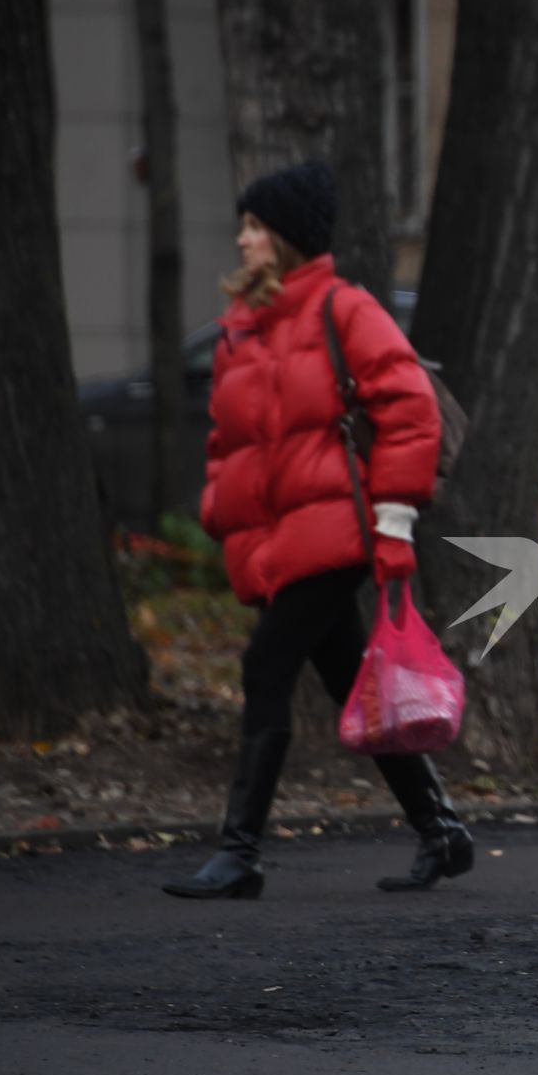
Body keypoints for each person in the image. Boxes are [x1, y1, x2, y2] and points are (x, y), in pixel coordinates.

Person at [162, 158, 473, 901]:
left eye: (256, 227)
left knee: (265, 667)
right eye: (243, 226)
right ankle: (442, 829)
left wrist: (394, 523)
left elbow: (410, 414)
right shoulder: (245, 328)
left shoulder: (344, 309)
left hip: (335, 532)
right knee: (344, 678)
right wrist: (219, 506)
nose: (242, 240)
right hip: (280, 536)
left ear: (290, 238)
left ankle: (239, 853)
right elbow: (229, 441)